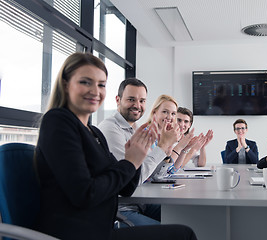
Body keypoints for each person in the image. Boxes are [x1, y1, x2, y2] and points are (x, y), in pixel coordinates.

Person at [34, 52, 197, 240]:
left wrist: (136, 156)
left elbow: (126, 187)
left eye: (101, 84)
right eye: (85, 82)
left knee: (186, 226)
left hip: (101, 227)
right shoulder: (58, 121)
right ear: (65, 85)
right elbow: (85, 194)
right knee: (184, 234)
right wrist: (131, 162)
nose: (95, 91)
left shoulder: (93, 133)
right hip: (81, 232)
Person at [98, 78, 179, 227]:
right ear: (118, 100)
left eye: (142, 101)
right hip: (121, 209)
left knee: (185, 215)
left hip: (140, 203)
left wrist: (166, 152)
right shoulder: (111, 129)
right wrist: (162, 146)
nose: (137, 105)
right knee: (178, 231)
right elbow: (132, 180)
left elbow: (153, 176)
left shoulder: (135, 129)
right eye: (131, 99)